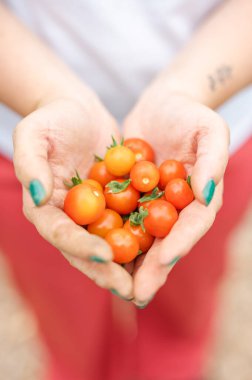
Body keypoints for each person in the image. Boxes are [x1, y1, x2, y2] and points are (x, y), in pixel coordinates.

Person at [0, 0, 251, 379]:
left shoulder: (156, 183)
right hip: (36, 149)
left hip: (206, 144)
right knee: (64, 311)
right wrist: (47, 95)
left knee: (185, 301)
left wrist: (187, 90)